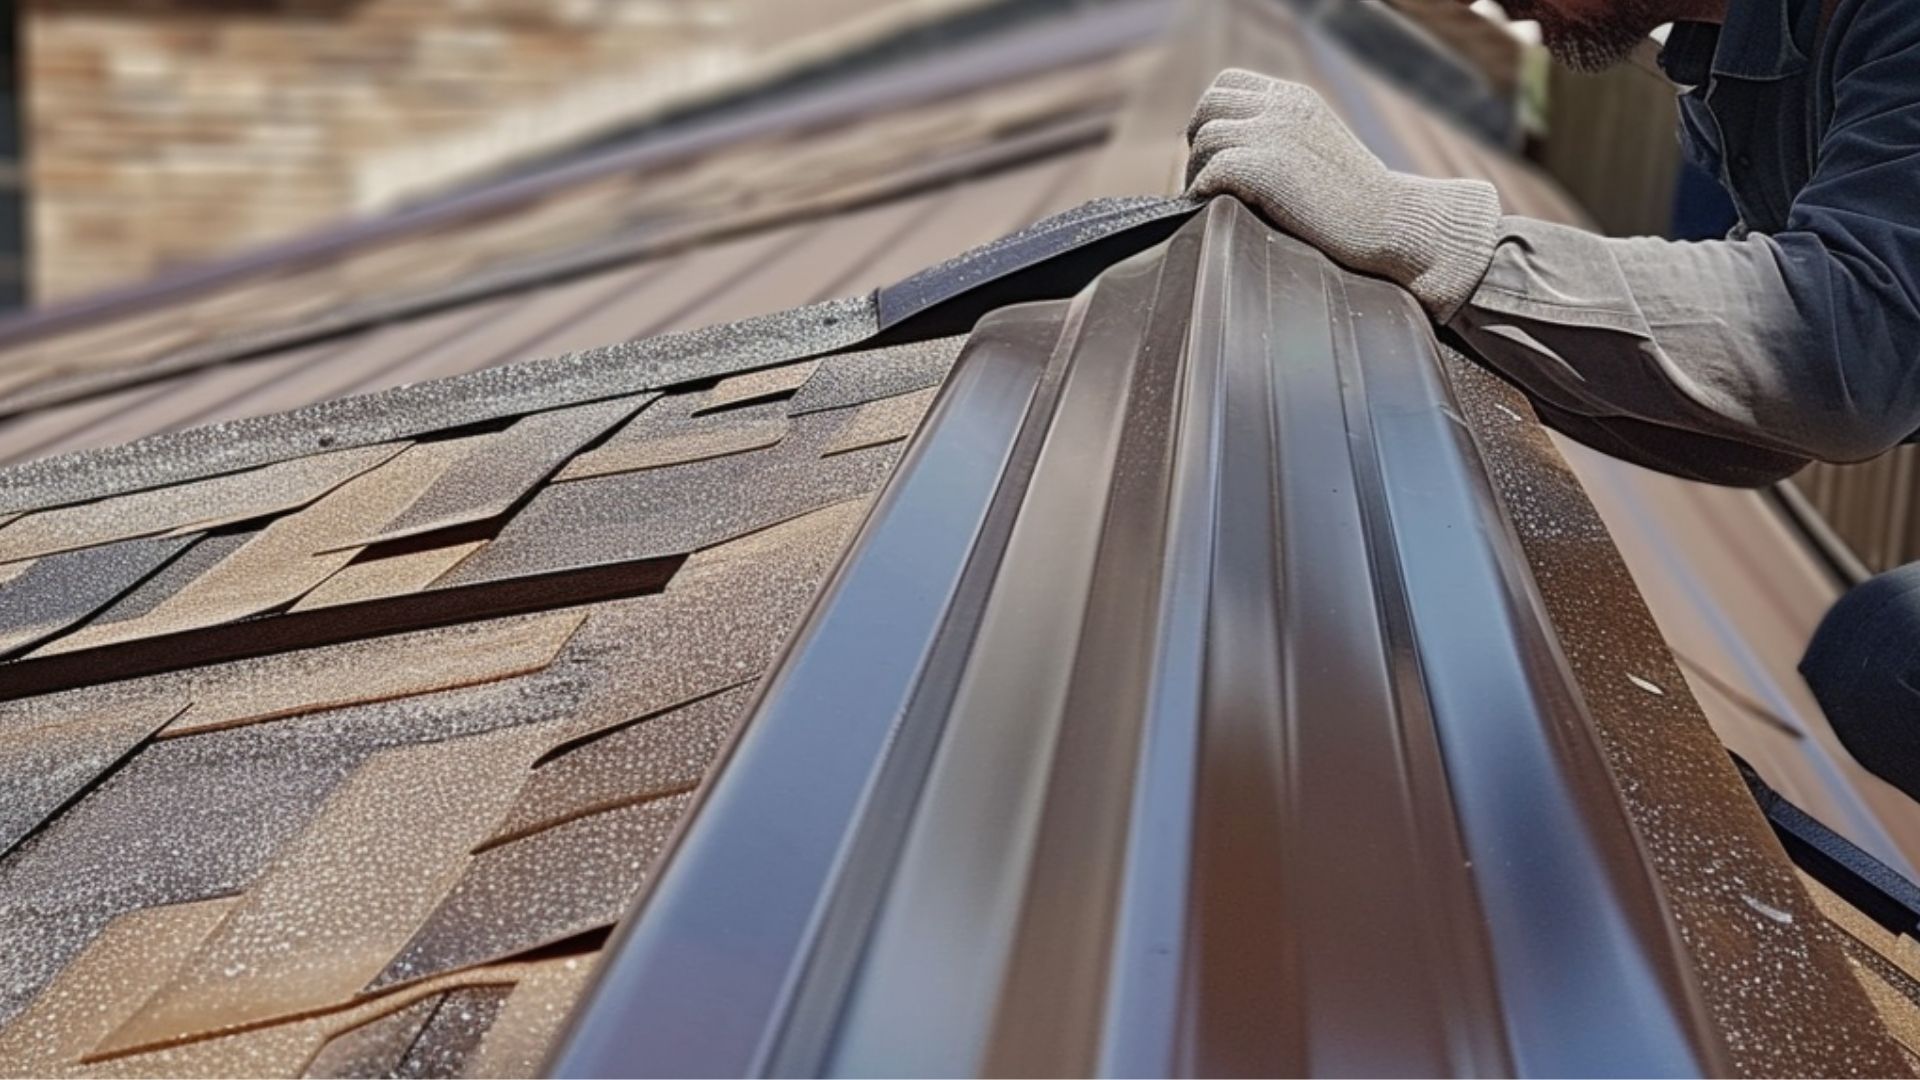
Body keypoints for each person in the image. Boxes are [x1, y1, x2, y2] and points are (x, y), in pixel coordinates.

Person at [1182, 0, 1920, 797]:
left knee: (1887, 658)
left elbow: (1844, 349)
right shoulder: (1748, 56)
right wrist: (1444, 308)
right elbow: (1758, 418)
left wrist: (1428, 237)